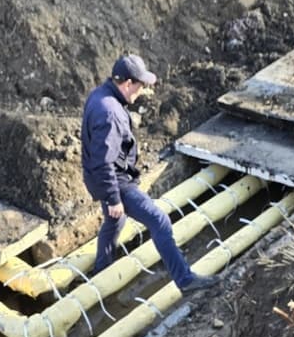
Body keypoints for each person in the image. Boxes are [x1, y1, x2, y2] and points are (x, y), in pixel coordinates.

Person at [81, 53, 219, 293]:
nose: (142, 91)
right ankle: (185, 280)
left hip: (103, 177)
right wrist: (113, 197)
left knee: (115, 220)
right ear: (126, 83)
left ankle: (100, 275)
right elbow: (104, 161)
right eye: (140, 86)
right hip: (114, 179)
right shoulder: (110, 113)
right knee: (160, 221)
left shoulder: (101, 95)